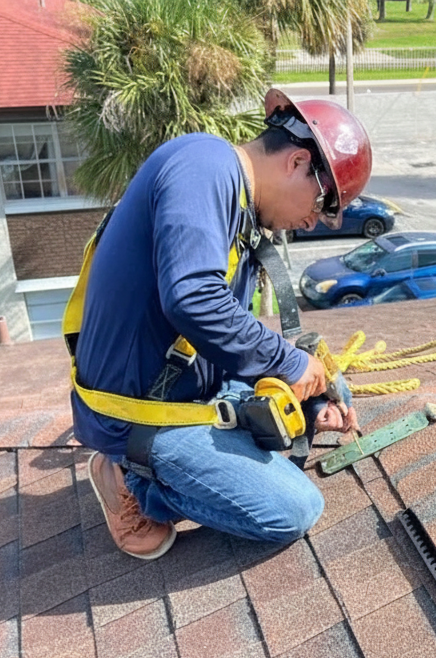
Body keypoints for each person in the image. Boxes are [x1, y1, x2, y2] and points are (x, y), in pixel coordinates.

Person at [68, 89, 369, 560]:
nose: (311, 223)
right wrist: (286, 362)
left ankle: (247, 430)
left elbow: (221, 331)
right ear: (296, 162)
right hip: (141, 413)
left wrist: (302, 390)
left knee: (319, 398)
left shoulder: (235, 201)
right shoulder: (203, 166)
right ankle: (132, 480)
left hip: (193, 390)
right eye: (321, 204)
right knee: (292, 509)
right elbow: (193, 299)